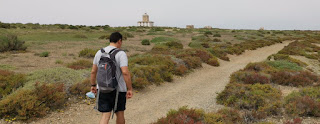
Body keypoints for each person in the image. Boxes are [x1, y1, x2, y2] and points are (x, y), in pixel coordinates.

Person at [90, 32, 133, 124]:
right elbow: (125, 72)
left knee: (105, 115)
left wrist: (93, 85)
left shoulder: (99, 52)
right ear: (119, 41)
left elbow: (93, 71)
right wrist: (129, 88)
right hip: (119, 89)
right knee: (120, 114)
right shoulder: (121, 53)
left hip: (102, 88)